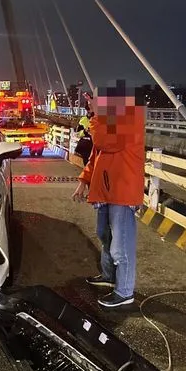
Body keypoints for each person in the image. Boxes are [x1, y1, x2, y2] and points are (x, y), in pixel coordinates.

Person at [72, 80, 146, 308]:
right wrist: (84, 181)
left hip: (122, 192)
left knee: (120, 246)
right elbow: (97, 154)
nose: (93, 103)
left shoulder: (127, 118)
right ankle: (108, 276)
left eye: (97, 100)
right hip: (106, 189)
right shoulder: (110, 121)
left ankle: (124, 291)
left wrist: (95, 116)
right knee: (104, 234)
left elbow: (105, 142)